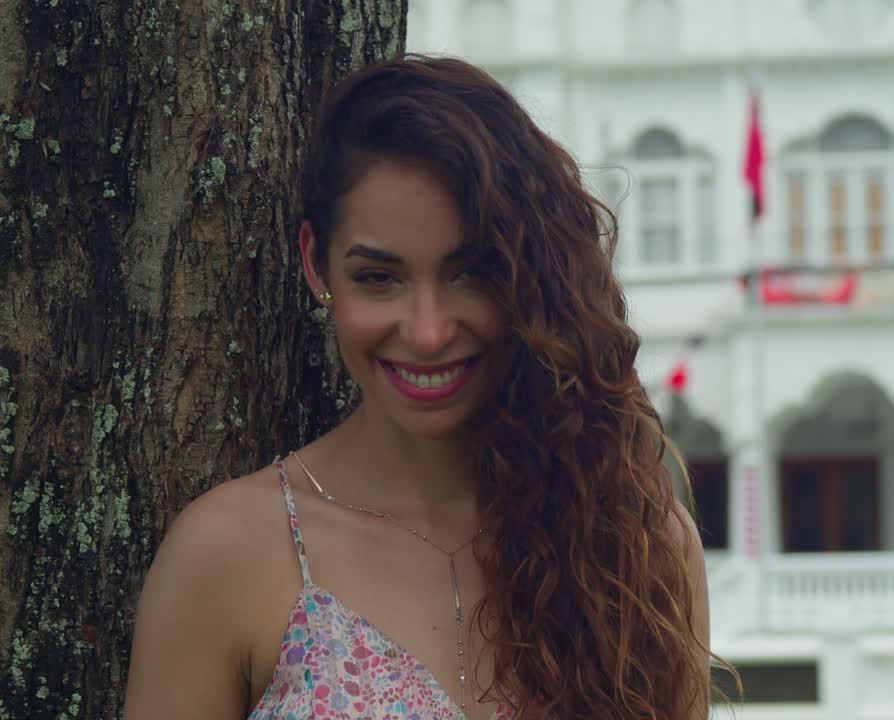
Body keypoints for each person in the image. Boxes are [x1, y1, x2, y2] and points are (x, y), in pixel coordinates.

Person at [124, 54, 723, 719]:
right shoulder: (226, 553)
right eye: (379, 278)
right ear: (316, 264)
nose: (429, 332)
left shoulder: (637, 545)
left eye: (469, 273)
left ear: (528, 276)